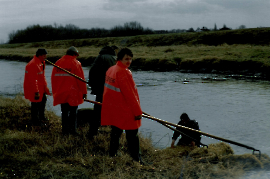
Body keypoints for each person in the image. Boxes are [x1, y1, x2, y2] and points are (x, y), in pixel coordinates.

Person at [101, 48, 144, 164]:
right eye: (126, 59)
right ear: (120, 58)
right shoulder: (124, 72)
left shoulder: (111, 69)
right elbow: (130, 95)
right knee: (132, 136)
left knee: (115, 133)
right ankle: (137, 159)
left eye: (130, 59)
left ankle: (112, 155)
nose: (129, 61)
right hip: (126, 110)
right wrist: (137, 112)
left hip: (115, 108)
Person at [51, 46, 87, 135]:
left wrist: (55, 91)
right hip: (72, 93)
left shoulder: (58, 62)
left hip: (61, 93)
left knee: (64, 112)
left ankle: (64, 131)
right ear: (75, 54)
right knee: (73, 113)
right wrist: (84, 92)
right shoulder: (76, 63)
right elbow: (81, 80)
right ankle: (72, 131)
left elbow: (53, 79)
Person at [87, 45, 119, 139]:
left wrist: (93, 85)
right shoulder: (114, 59)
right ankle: (115, 135)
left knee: (97, 111)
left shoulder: (100, 57)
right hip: (113, 91)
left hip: (101, 90)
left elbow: (92, 72)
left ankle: (92, 133)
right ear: (114, 50)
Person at [23, 48, 51, 127]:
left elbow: (42, 76)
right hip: (34, 88)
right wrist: (36, 92)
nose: (45, 57)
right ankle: (35, 121)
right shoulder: (33, 64)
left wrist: (45, 87)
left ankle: (41, 117)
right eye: (44, 56)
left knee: (43, 100)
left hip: (40, 87)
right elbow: (33, 80)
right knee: (35, 104)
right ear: (40, 55)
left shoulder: (41, 63)